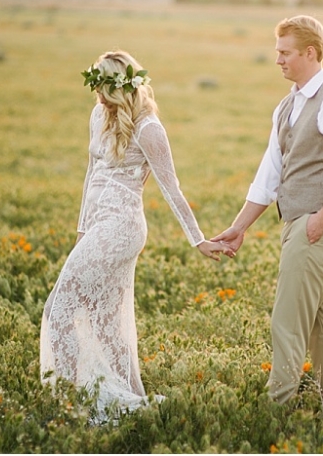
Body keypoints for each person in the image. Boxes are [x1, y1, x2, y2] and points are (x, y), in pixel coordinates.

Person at [40, 50, 226, 421]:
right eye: (96, 87)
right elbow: (91, 174)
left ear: (122, 87)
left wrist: (198, 239)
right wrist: (82, 229)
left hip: (122, 227)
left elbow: (171, 187)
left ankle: (68, 403)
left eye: (104, 88)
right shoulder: (99, 115)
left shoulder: (148, 128)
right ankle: (117, 395)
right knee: (104, 318)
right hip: (97, 226)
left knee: (58, 310)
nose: (98, 96)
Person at [214, 15, 323, 415]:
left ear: (310, 52)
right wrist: (239, 227)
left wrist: (322, 217)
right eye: (277, 53)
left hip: (320, 227)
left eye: (285, 53)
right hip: (302, 225)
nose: (278, 61)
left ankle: (275, 411)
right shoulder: (287, 105)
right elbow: (269, 174)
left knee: (286, 324)